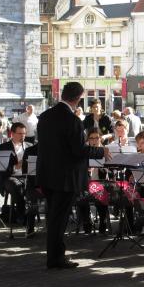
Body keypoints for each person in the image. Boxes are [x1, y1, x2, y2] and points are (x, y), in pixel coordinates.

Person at [37, 82, 110, 269]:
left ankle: (53, 256)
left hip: (47, 175)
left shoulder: (44, 117)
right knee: (59, 220)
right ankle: (56, 258)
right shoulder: (73, 121)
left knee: (53, 218)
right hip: (66, 179)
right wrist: (101, 152)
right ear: (78, 98)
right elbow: (78, 151)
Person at [0, 122, 32, 226]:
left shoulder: (30, 146)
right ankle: (21, 214)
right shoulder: (2, 147)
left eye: (24, 133)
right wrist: (16, 166)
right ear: (12, 133)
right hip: (9, 177)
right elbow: (0, 170)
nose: (23, 136)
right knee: (17, 186)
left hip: (26, 176)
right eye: (20, 133)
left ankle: (33, 213)